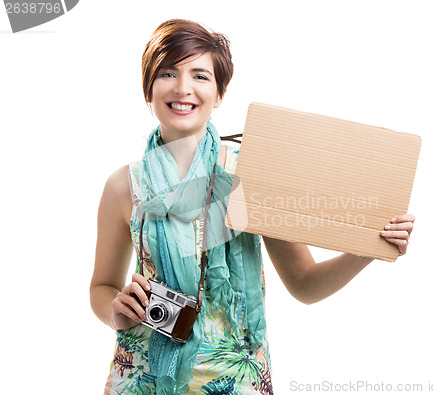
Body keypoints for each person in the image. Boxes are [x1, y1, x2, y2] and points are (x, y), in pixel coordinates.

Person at [90, 19, 415, 395]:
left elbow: (305, 284)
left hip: (238, 378)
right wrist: (114, 310)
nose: (183, 88)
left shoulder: (251, 173)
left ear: (220, 92)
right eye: (167, 73)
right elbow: (101, 287)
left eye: (200, 76)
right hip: (143, 376)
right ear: (149, 87)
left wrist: (369, 248)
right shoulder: (124, 186)